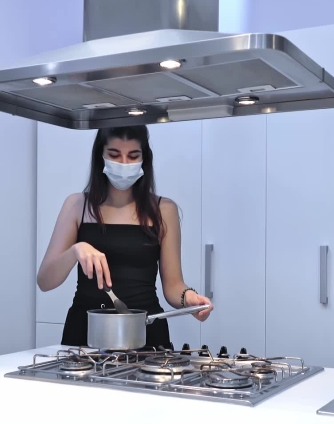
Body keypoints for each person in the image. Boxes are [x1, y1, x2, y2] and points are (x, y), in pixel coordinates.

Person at [37, 125, 213, 349]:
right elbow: (45, 281)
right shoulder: (77, 205)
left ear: (144, 159)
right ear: (100, 155)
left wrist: (189, 299)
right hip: (86, 332)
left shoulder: (163, 210)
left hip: (145, 332)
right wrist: (75, 250)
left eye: (133, 156)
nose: (123, 164)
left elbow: (173, 286)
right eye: (114, 155)